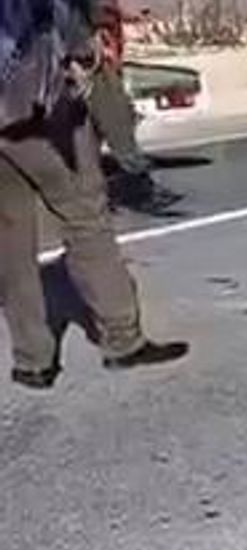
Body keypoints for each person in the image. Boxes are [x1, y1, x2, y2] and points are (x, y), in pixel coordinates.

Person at [0, 0, 188, 391]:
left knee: (11, 238)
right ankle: (122, 340)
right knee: (86, 218)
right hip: (33, 106)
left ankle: (32, 360)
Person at [87, 0, 181, 211]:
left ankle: (100, 194)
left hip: (98, 62)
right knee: (118, 126)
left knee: (95, 134)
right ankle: (140, 190)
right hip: (92, 66)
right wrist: (120, 13)